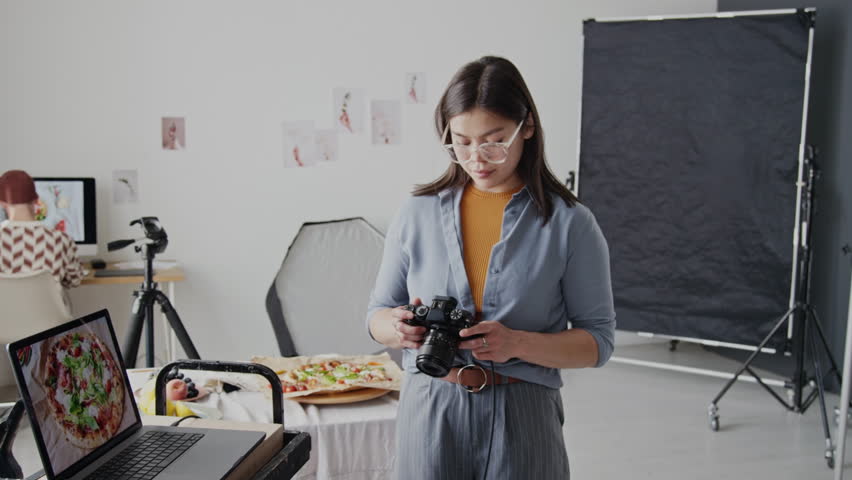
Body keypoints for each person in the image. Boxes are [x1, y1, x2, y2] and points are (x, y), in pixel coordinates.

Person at [366, 56, 615, 479]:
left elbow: (597, 341)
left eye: (493, 141)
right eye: (460, 141)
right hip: (430, 407)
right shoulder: (417, 212)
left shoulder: (570, 224)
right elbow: (376, 316)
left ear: (527, 128)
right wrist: (398, 327)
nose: (477, 158)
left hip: (524, 412)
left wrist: (516, 343)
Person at [0, 170, 84, 288]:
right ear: (36, 199)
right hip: (47, 307)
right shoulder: (60, 239)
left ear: (2, 203)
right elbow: (75, 281)